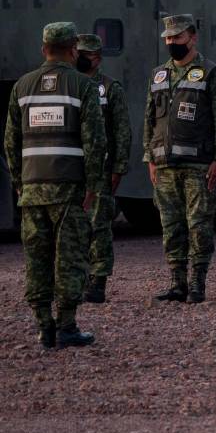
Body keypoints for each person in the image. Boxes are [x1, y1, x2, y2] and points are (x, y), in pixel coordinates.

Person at [4, 22, 106, 348]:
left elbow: (10, 142)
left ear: (43, 48)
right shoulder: (83, 86)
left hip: (33, 188)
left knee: (37, 258)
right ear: (74, 49)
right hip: (69, 189)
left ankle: (43, 326)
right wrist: (92, 185)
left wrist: (19, 182)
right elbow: (94, 141)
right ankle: (67, 325)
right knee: (70, 258)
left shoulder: (22, 86)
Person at [144, 14, 216, 304]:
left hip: (198, 165)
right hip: (165, 165)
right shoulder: (159, 75)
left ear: (192, 38)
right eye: (168, 38)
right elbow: (149, 121)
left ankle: (197, 283)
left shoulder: (210, 72)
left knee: (199, 225)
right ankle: (177, 282)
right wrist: (150, 159)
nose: (172, 43)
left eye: (177, 37)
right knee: (171, 226)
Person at [75, 33, 131, 304]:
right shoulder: (69, 85)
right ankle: (78, 278)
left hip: (101, 171)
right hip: (73, 170)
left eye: (84, 54)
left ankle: (97, 282)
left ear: (96, 58)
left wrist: (118, 168)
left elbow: (122, 130)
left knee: (99, 228)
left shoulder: (110, 88)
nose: (78, 58)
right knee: (75, 228)